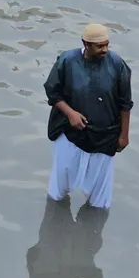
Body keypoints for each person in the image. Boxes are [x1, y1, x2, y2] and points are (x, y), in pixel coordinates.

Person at [42, 23, 133, 210]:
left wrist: (124, 135)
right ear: (86, 44)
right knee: (59, 186)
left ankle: (92, 228)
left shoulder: (117, 64)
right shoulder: (67, 61)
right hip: (70, 133)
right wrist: (70, 113)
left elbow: (125, 103)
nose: (105, 50)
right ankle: (56, 225)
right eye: (100, 46)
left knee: (99, 198)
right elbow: (52, 92)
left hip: (105, 135)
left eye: (107, 45)